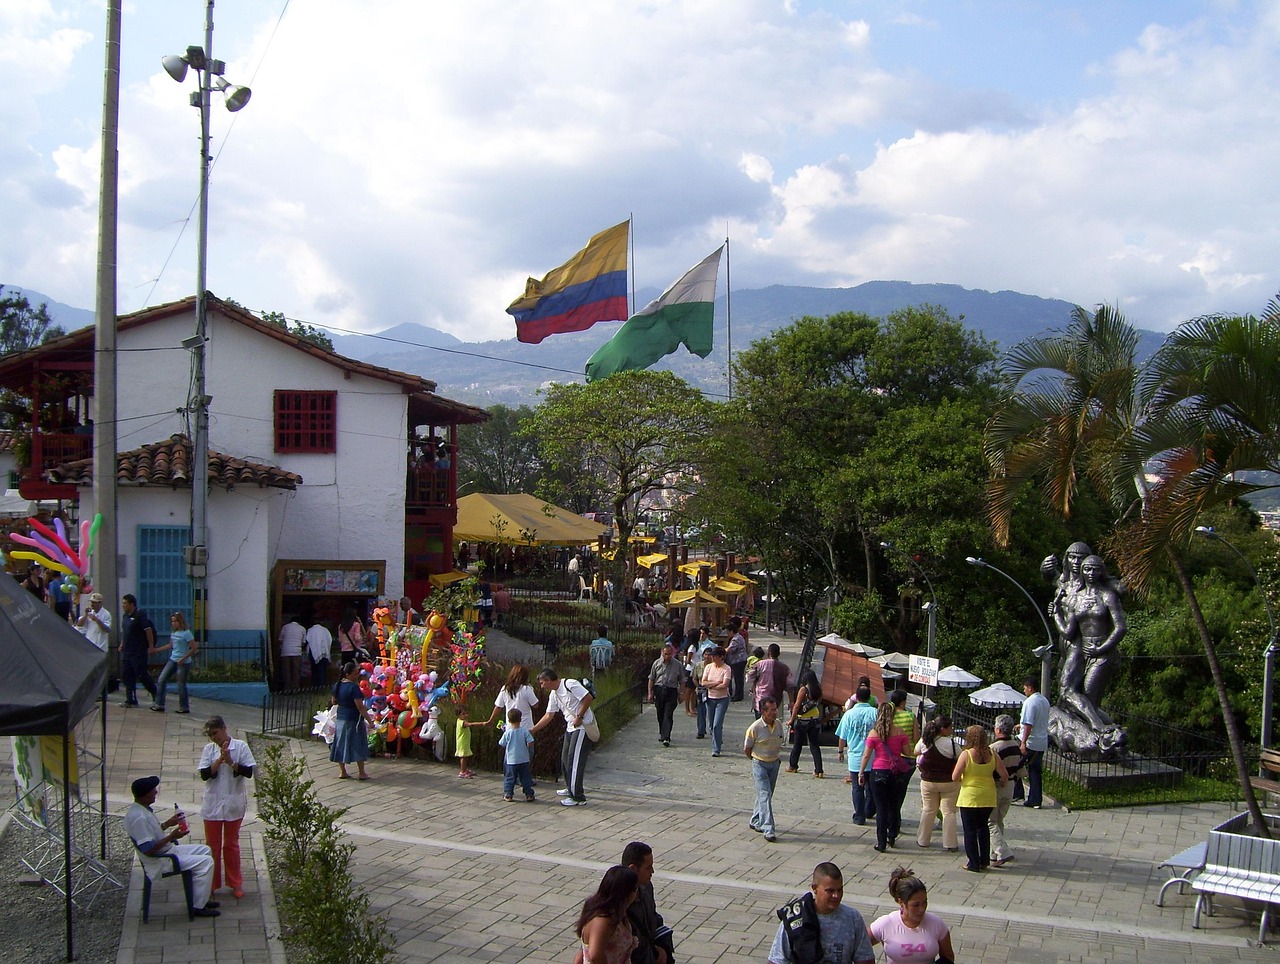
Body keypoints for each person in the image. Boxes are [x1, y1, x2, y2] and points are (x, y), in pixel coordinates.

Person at [124, 775, 220, 918]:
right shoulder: (139, 818)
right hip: (161, 861)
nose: (156, 792)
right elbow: (148, 849)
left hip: (167, 850)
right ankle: (197, 907)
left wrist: (167, 824)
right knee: (206, 862)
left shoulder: (142, 810)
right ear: (144, 796)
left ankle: (200, 897)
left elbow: (151, 834)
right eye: (153, 790)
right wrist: (171, 837)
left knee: (205, 850)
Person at [1054, 554, 1127, 732]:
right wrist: (1056, 613)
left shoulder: (1108, 596)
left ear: (1102, 571)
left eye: (1095, 569)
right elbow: (1068, 632)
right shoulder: (1076, 598)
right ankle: (1107, 731)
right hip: (1082, 650)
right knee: (1070, 696)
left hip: (1103, 653)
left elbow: (1120, 628)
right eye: (1087, 569)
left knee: (1089, 699)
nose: (1091, 573)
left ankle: (1105, 732)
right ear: (1081, 571)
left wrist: (1101, 648)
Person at [768, 862, 875, 964]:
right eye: (830, 891)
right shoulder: (795, 919)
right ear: (815, 888)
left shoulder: (853, 918)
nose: (836, 896)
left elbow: (865, 959)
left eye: (840, 890)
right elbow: (777, 960)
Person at [198, 716, 256, 899]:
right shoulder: (209, 750)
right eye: (210, 735)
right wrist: (219, 760)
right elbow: (205, 774)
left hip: (233, 803)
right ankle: (212, 883)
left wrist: (231, 761)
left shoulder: (241, 747)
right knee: (212, 846)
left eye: (215, 733)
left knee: (231, 845)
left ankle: (235, 882)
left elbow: (248, 772)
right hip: (213, 804)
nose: (214, 738)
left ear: (224, 728)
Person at [531, 667, 597, 807]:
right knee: (565, 759)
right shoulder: (554, 695)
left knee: (575, 761)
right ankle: (570, 787)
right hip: (570, 727)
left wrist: (579, 716)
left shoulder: (570, 684)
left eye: (542, 683)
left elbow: (588, 697)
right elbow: (549, 715)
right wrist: (533, 730)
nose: (541, 686)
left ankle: (578, 797)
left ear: (549, 680)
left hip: (582, 727)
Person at [952, 724, 1009, 872]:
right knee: (983, 827)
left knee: (969, 830)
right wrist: (1001, 783)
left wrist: (963, 779)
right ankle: (984, 860)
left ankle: (973, 862)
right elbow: (1004, 775)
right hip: (988, 795)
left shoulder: (967, 754)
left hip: (970, 796)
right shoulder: (992, 754)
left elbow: (955, 776)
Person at [868, 867, 955, 964]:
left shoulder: (936, 923)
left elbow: (948, 956)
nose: (922, 909)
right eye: (915, 905)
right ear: (901, 902)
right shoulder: (885, 924)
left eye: (924, 903)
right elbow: (858, 946)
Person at [859, 702, 909, 853]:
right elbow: (907, 751)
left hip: (878, 771)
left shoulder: (874, 733)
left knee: (881, 808)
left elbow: (867, 755)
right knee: (893, 805)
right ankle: (892, 835)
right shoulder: (900, 732)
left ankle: (881, 843)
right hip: (895, 773)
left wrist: (861, 772)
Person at [914, 715, 961, 852]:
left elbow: (916, 751)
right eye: (950, 727)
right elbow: (960, 757)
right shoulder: (952, 744)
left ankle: (923, 840)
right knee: (949, 812)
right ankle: (950, 843)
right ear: (943, 729)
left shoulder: (925, 741)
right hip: (948, 782)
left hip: (928, 780)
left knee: (928, 810)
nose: (951, 729)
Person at [575, 866, 640, 964]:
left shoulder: (617, 913)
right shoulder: (602, 920)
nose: (637, 893)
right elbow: (595, 955)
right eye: (635, 889)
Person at [621, 842, 671, 964]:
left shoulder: (646, 887)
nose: (652, 871)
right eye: (648, 867)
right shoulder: (615, 900)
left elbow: (653, 917)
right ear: (633, 869)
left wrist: (662, 947)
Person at [835, 684, 878, 825]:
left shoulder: (849, 714)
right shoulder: (875, 713)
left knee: (857, 788)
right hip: (873, 756)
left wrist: (840, 751)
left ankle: (859, 816)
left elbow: (842, 736)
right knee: (871, 787)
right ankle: (869, 811)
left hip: (855, 756)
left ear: (857, 698)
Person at [745, 696, 784, 842]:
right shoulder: (755, 728)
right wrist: (755, 759)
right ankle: (768, 828)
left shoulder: (778, 725)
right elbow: (747, 748)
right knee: (764, 794)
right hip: (759, 763)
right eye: (771, 710)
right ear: (763, 711)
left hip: (774, 763)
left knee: (766, 794)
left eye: (775, 710)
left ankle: (755, 819)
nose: (774, 713)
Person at [329, 661, 374, 780]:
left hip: (341, 717)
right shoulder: (353, 688)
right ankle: (361, 772)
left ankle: (343, 771)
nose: (356, 676)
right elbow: (360, 706)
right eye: (354, 674)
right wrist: (370, 721)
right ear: (348, 674)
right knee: (358, 743)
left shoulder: (337, 685)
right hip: (353, 719)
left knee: (340, 743)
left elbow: (334, 701)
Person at [990, 714, 1023, 867]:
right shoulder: (1015, 746)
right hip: (1010, 785)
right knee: (999, 820)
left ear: (998, 729)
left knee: (990, 821)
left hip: (996, 785)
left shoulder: (994, 749)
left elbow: (990, 769)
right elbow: (1022, 770)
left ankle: (1002, 852)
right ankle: (994, 854)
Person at [151, 612, 197, 714]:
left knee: (181, 684)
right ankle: (159, 704)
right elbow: (170, 645)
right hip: (173, 659)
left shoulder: (187, 633)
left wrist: (184, 658)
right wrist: (156, 650)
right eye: (172, 621)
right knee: (162, 679)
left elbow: (194, 648)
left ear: (180, 621)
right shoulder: (174, 633)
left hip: (183, 662)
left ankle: (184, 707)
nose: (174, 623)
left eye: (176, 621)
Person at [119, 594, 158, 708]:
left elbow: (148, 630)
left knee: (141, 674)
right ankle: (130, 699)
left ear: (132, 604)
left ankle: (155, 694)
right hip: (127, 651)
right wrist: (122, 644)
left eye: (125, 603)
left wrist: (151, 646)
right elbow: (125, 632)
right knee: (127, 675)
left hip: (138, 651)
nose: (123, 605)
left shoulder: (140, 615)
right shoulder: (125, 616)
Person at [474, 664, 541, 730]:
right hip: (526, 726)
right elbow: (535, 705)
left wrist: (491, 720)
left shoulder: (505, 689)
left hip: (510, 726)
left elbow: (498, 706)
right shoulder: (527, 688)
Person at [785, 668, 824, 777]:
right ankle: (819, 770)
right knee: (814, 745)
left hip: (803, 720)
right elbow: (819, 702)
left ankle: (793, 766)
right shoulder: (818, 689)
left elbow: (797, 705)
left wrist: (792, 719)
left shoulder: (804, 689)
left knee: (798, 744)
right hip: (815, 718)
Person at [1019, 674, 1050, 808]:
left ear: (1030, 688)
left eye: (1025, 688)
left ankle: (1017, 793)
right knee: (1035, 771)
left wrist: (1023, 742)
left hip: (1030, 742)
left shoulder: (1029, 702)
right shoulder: (1044, 701)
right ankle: (1036, 799)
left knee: (1015, 766)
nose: (1024, 690)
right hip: (1041, 742)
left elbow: (1028, 724)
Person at [647, 643, 684, 747]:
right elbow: (651, 678)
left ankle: (666, 736)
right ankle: (662, 733)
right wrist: (650, 693)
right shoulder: (656, 663)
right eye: (665, 654)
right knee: (660, 713)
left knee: (668, 714)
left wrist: (681, 693)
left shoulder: (677, 665)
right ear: (662, 653)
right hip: (659, 690)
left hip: (671, 690)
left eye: (669, 654)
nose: (667, 656)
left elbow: (682, 680)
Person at [497, 708, 535, 801]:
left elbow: (501, 743)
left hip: (511, 760)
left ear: (509, 720)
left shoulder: (508, 732)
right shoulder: (524, 731)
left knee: (509, 778)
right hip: (524, 759)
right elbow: (531, 742)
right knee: (525, 778)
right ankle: (529, 794)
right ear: (520, 719)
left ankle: (508, 794)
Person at [746, 643, 793, 718]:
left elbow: (749, 677)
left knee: (760, 725)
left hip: (760, 700)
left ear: (769, 653)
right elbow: (790, 686)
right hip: (776, 702)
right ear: (779, 654)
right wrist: (791, 702)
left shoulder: (760, 664)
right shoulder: (784, 668)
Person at [701, 647, 732, 757]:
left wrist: (712, 684)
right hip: (710, 698)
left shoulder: (726, 669)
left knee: (717, 724)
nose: (713, 658)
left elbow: (725, 685)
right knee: (711, 724)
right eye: (712, 656)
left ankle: (716, 748)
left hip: (722, 699)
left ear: (721, 657)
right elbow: (703, 682)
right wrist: (716, 683)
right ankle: (718, 739)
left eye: (715, 656)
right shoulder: (709, 667)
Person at [278, 615, 305, 690]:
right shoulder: (302, 628)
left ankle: (287, 689)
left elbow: (280, 640)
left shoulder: (285, 627)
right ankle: (295, 688)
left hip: (285, 652)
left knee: (286, 671)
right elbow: (303, 642)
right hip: (296, 652)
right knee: (296, 671)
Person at [725, 616, 749, 701]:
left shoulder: (735, 639)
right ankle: (737, 694)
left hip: (738, 661)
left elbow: (729, 650)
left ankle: (738, 696)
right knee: (738, 678)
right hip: (739, 660)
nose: (727, 634)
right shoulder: (738, 637)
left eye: (728, 632)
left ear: (731, 631)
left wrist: (722, 650)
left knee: (738, 679)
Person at [305, 618, 333, 687]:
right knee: (323, 670)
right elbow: (330, 640)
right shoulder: (325, 630)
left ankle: (315, 687)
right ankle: (323, 686)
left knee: (314, 671)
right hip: (324, 652)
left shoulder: (310, 630)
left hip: (314, 652)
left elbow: (308, 640)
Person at [455, 704, 475, 778]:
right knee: (463, 756)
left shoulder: (462, 720)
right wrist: (482, 723)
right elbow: (470, 724)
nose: (466, 715)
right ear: (458, 715)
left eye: (466, 713)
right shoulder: (461, 722)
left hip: (465, 742)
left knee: (466, 756)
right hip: (462, 742)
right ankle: (462, 771)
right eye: (463, 714)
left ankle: (465, 769)